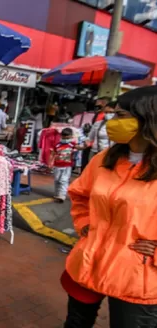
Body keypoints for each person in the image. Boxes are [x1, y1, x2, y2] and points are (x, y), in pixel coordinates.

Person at [63, 86, 157, 327]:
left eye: (121, 116)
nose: (112, 122)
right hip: (89, 261)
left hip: (137, 275)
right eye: (113, 114)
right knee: (76, 322)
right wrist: (84, 224)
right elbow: (79, 194)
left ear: (149, 118)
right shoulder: (104, 159)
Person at [49, 128, 85, 203]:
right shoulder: (57, 145)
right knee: (57, 180)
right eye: (64, 137)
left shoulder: (72, 144)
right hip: (57, 166)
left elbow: (80, 147)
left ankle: (62, 196)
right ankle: (57, 194)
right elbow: (52, 154)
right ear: (61, 136)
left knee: (64, 180)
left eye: (68, 138)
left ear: (71, 136)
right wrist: (50, 163)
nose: (65, 139)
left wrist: (86, 145)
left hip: (67, 166)